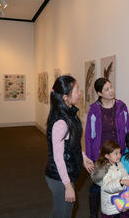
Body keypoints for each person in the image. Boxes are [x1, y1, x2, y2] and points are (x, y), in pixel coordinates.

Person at [84, 77, 129, 218]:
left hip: (118, 153)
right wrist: (90, 157)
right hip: (101, 154)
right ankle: (94, 214)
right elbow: (89, 135)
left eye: (111, 87)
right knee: (97, 184)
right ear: (99, 93)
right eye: (106, 89)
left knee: (119, 182)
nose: (111, 91)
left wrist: (127, 150)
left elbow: (127, 129)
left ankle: (117, 211)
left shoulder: (121, 106)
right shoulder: (94, 109)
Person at [45, 75, 83, 218]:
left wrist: (83, 157)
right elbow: (58, 158)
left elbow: (73, 144)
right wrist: (67, 186)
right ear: (66, 97)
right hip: (60, 177)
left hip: (66, 173)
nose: (80, 93)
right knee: (62, 214)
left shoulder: (70, 114)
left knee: (63, 212)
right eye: (77, 90)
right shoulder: (61, 123)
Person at [91, 140, 129, 218]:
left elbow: (125, 176)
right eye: (116, 153)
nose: (119, 155)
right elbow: (107, 187)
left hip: (122, 202)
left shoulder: (119, 164)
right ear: (107, 156)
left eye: (119, 152)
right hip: (111, 207)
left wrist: (127, 183)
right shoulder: (105, 169)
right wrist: (120, 183)